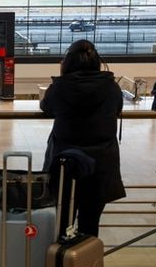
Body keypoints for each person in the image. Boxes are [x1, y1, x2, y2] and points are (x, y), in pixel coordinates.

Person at [40, 39, 125, 237]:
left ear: (67, 63)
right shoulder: (112, 88)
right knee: (90, 224)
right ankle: (85, 265)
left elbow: (47, 108)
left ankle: (62, 263)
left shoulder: (60, 87)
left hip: (66, 165)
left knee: (62, 224)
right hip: (101, 167)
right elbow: (117, 108)